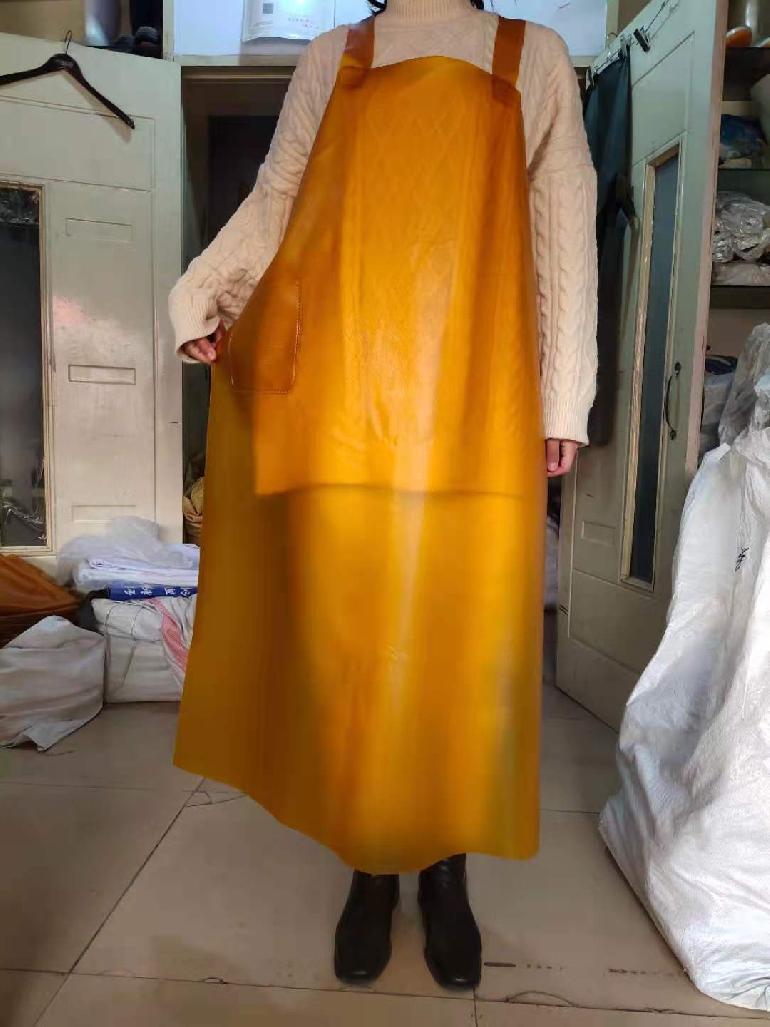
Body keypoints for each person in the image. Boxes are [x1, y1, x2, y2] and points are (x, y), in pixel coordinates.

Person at [169, 0, 597, 991]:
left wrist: (563, 393)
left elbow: (562, 224)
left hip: (479, 399)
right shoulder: (335, 55)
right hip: (347, 399)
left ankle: (444, 871)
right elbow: (280, 197)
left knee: (462, 651)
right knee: (355, 648)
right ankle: (369, 867)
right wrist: (205, 291)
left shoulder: (531, 56)